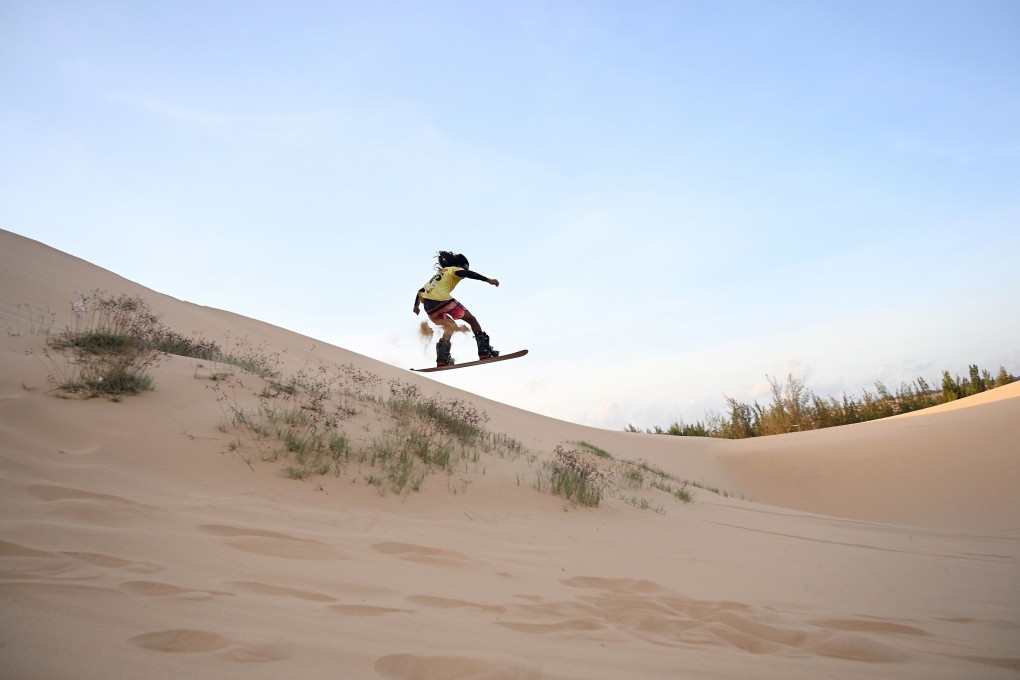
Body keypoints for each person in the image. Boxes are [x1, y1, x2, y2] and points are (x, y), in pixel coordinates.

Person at [413, 251, 500, 366]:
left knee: (451, 325)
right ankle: (484, 351)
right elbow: (470, 274)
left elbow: (420, 291)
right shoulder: (453, 269)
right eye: (466, 269)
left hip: (429, 307)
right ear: (460, 266)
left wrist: (416, 306)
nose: (466, 272)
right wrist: (488, 280)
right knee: (472, 320)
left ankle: (442, 358)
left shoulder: (439, 274)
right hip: (442, 300)